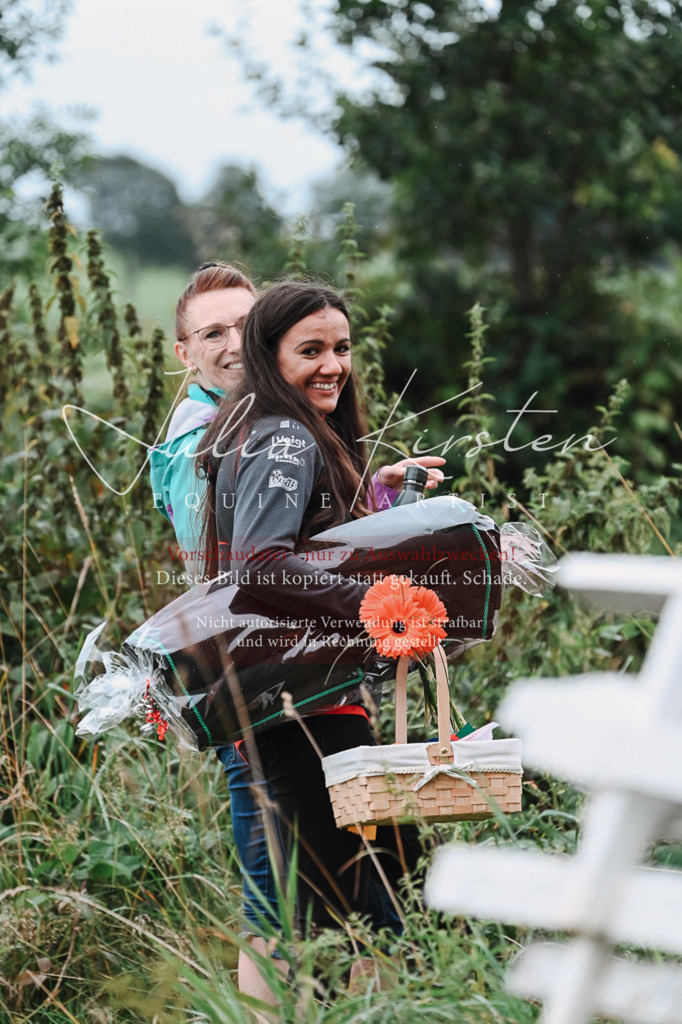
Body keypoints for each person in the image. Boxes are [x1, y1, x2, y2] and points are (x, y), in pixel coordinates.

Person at [198, 281, 445, 949]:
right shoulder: (284, 435)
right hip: (302, 703)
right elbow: (261, 563)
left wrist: (370, 493)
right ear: (268, 355)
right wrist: (379, 608)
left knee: (388, 893)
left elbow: (298, 538)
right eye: (310, 350)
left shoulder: (275, 431)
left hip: (304, 697)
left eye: (342, 347)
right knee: (346, 911)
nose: (333, 364)